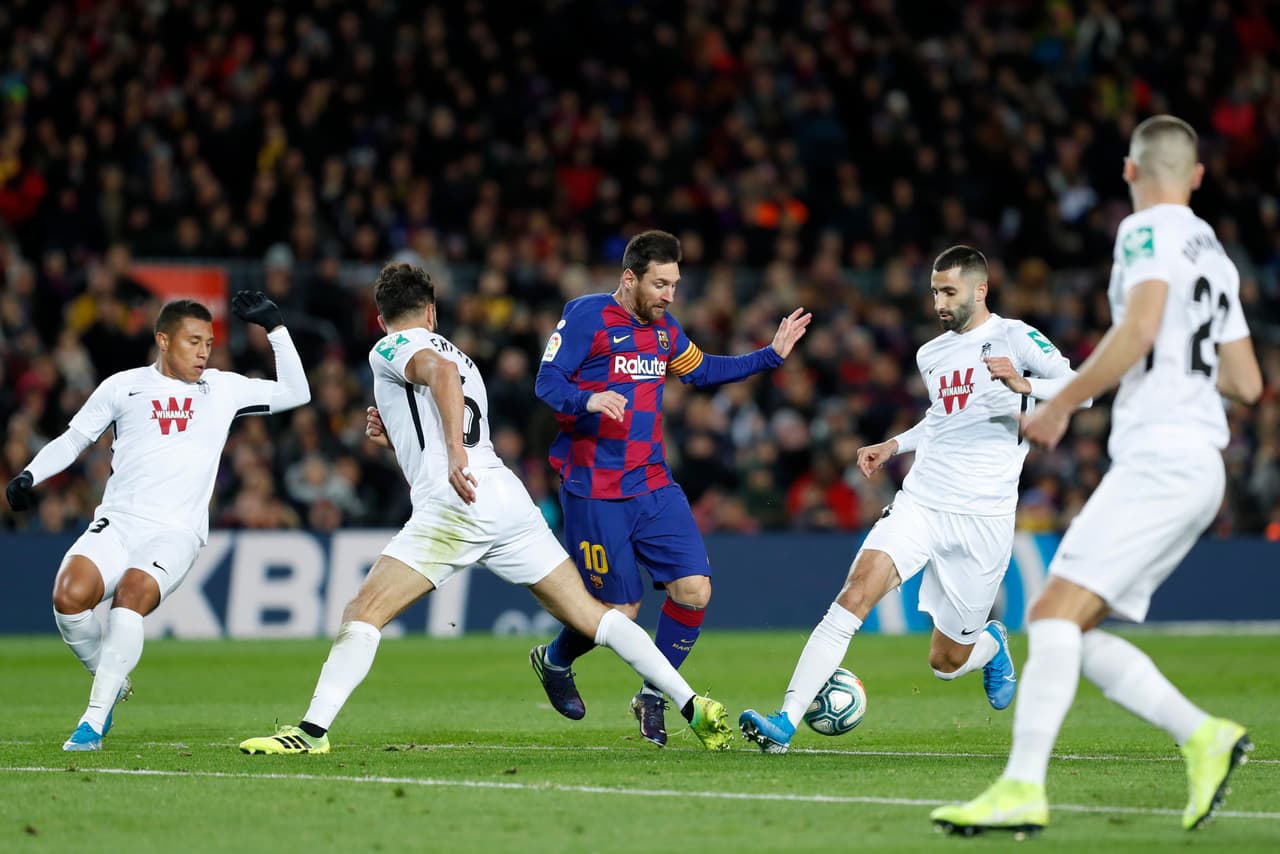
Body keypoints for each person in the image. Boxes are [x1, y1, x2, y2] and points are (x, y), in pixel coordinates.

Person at [238, 262, 734, 755]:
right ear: (431, 311)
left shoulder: (391, 346)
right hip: (507, 500)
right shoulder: (464, 356)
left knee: (363, 611)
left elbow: (441, 377)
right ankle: (693, 705)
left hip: (458, 504)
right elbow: (452, 397)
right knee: (596, 617)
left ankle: (310, 733)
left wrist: (452, 452)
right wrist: (404, 443)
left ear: (381, 315)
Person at [931, 116, 1262, 837]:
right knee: (1070, 631)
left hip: (1160, 457)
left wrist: (1061, 403)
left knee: (1048, 615)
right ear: (1198, 176)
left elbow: (1139, 328)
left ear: (1130, 172)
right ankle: (1205, 736)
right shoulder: (1217, 257)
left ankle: (1022, 787)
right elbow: (1246, 380)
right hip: (1202, 467)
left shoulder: (1145, 232)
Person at [738, 245, 1090, 753]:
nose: (939, 303)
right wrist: (894, 444)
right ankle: (784, 724)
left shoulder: (1016, 337)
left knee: (946, 663)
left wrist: (1024, 382)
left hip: (983, 517)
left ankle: (991, 647)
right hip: (922, 502)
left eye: (949, 292)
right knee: (855, 594)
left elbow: (1085, 388)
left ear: (980, 289)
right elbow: (944, 419)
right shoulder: (932, 354)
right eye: (934, 293)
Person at [530, 229, 811, 747]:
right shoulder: (587, 316)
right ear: (630, 278)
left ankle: (653, 696)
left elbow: (701, 370)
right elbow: (547, 383)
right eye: (660, 284)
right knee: (618, 613)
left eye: (675, 284)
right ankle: (555, 659)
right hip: (595, 488)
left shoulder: (664, 333)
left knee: (695, 590)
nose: (669, 295)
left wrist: (769, 356)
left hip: (653, 483)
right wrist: (588, 402)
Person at [5, 292, 310, 751]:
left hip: (174, 533)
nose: (204, 352)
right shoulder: (122, 386)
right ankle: (111, 678)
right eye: (193, 341)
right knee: (68, 599)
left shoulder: (223, 389)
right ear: (163, 341)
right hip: (118, 522)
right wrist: (30, 474)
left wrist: (276, 330)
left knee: (129, 598)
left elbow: (296, 393)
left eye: (209, 342)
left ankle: (92, 719)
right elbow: (73, 440)